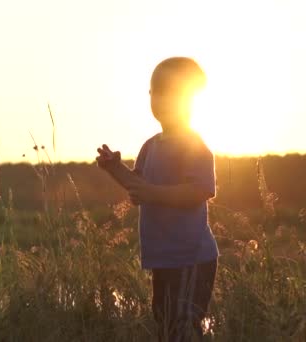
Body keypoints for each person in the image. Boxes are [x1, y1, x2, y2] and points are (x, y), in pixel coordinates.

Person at [96, 57, 218, 341]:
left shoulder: (193, 145)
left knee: (185, 325)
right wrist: (115, 168)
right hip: (163, 256)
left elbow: (199, 191)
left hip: (190, 256)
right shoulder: (150, 146)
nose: (161, 98)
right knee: (164, 321)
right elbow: (138, 188)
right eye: (155, 90)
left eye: (171, 91)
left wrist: (154, 193)